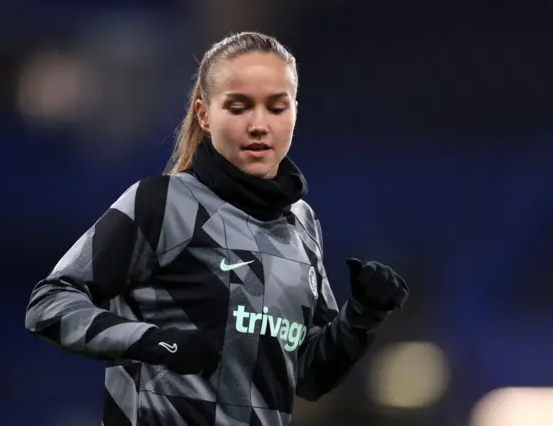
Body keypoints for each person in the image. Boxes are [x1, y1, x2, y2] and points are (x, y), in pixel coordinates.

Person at [25, 31, 409, 426]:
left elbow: (309, 376)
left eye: (276, 108)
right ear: (204, 114)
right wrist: (155, 341)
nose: (259, 125)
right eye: (239, 107)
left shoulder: (303, 223)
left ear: (295, 112)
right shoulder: (161, 203)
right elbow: (48, 305)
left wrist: (362, 315)